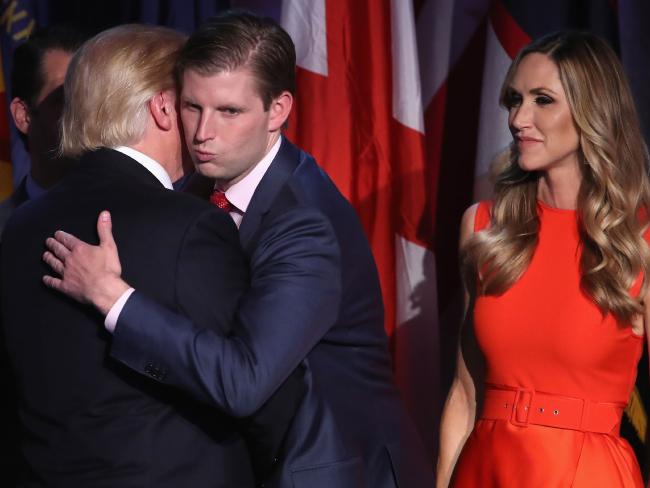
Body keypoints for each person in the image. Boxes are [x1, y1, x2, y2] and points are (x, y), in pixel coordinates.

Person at [42, 11, 435, 488]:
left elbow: (242, 381)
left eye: (229, 111)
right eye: (192, 106)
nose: (203, 132)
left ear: (279, 110)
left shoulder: (306, 220)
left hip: (333, 470)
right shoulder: (192, 195)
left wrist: (112, 298)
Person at [1, 24, 305, 487]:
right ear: (164, 107)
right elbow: (262, 397)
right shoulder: (189, 225)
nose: (203, 126)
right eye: (189, 102)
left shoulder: (19, 225)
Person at [436, 31, 650, 487]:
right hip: (485, 470)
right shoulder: (483, 228)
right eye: (515, 99)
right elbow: (465, 391)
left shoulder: (640, 238)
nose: (518, 118)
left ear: (592, 112)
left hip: (589, 474)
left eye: (543, 100)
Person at [0, 25, 84, 238]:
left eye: (89, 95)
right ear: (23, 116)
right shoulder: (5, 228)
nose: (83, 112)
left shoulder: (135, 219)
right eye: (64, 99)